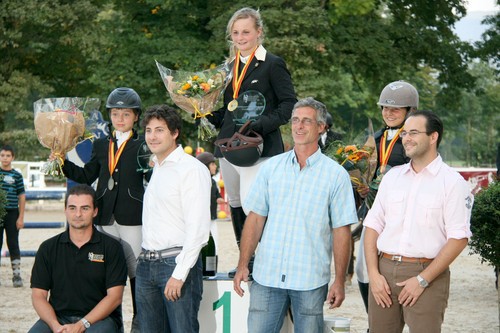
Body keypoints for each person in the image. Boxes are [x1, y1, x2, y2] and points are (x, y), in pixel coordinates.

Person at [233, 97, 358, 333]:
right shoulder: (271, 168)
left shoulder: (336, 175)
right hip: (266, 277)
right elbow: (255, 219)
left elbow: (341, 231)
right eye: (295, 121)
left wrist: (339, 280)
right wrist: (242, 264)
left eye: (307, 121)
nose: (299, 127)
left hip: (310, 280)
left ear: (321, 127)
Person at [364, 110, 473, 332]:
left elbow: (458, 238)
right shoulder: (392, 178)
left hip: (427, 274)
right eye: (404, 133)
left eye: (414, 132)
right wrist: (373, 275)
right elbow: (372, 226)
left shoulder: (452, 183)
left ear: (433, 137)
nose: (406, 138)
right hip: (383, 273)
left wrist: (422, 280)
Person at [206, 8, 297, 275]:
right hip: (228, 146)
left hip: (257, 146)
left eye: (246, 31)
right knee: (234, 200)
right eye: (236, 33)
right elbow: (227, 112)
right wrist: (203, 108)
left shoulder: (272, 63)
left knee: (252, 203)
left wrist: (260, 125)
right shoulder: (227, 68)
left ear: (259, 32)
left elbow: (289, 104)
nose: (241, 37)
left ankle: (263, 261)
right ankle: (246, 260)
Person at [57, 87, 151, 330]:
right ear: (110, 116)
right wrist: (62, 161)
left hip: (132, 216)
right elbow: (86, 175)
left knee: (135, 271)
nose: (120, 119)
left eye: (126, 114)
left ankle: (140, 321)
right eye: (116, 114)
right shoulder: (100, 145)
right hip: (105, 216)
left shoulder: (143, 145)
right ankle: (110, 321)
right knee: (107, 273)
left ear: (136, 117)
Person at [137, 105, 211, 332]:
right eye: (149, 130)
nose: (152, 136)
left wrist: (179, 275)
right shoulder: (157, 168)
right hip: (146, 265)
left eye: (159, 130)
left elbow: (198, 229)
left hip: (176, 265)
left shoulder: (191, 169)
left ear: (175, 132)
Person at [355, 80, 418, 313]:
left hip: (403, 216)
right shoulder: (376, 139)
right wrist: (362, 187)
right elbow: (367, 172)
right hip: (374, 214)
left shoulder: (415, 140)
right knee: (363, 268)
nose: (388, 113)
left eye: (395, 109)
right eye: (384, 108)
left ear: (410, 111)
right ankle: (373, 318)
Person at [28, 184, 127, 333]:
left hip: (98, 320)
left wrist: (82, 324)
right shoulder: (48, 248)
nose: (78, 214)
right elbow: (38, 296)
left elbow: (114, 297)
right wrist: (55, 326)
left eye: (85, 208)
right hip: (58, 318)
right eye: (72, 208)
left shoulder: (111, 248)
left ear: (95, 211)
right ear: (65, 210)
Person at [0, 145, 25, 287]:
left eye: (8, 155)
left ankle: (16, 275)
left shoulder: (17, 175)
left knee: (13, 244)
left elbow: (21, 196)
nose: (5, 158)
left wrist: (20, 217)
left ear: (13, 157)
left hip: (12, 214)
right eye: (2, 155)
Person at [196, 151, 225, 252]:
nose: (215, 167)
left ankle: (213, 263)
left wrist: (220, 199)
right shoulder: (197, 182)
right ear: (204, 166)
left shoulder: (213, 181)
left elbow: (217, 195)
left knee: (215, 244)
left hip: (212, 219)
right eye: (212, 164)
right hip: (201, 220)